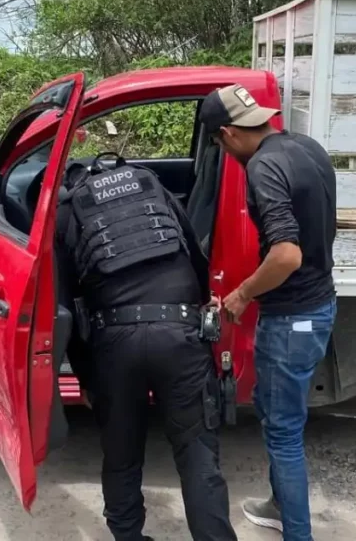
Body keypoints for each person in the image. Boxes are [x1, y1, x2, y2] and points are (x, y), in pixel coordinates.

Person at [55, 157, 238, 541]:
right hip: (180, 333)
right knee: (196, 454)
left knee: (121, 454)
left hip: (115, 342)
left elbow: (67, 306)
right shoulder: (153, 187)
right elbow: (194, 252)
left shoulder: (68, 210)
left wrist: (86, 377)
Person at [198, 84, 337, 540]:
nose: (222, 151)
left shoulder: (263, 167)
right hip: (317, 305)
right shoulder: (305, 147)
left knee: (283, 433)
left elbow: (286, 255)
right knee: (272, 408)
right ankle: (280, 506)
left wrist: (240, 295)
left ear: (227, 134)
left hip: (293, 318)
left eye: (218, 144)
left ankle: (298, 534)